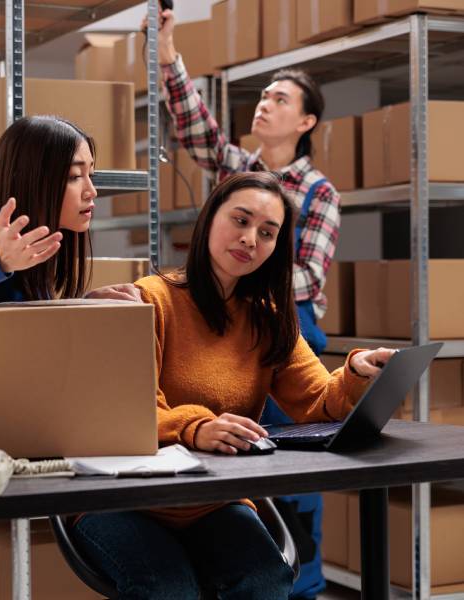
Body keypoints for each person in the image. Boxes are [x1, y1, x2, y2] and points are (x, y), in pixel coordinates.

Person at [72, 172, 396, 600]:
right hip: (123, 499)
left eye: (267, 232)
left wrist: (358, 370)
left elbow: (318, 401)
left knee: (267, 579)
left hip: (212, 499)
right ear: (210, 219)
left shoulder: (268, 316)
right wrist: (197, 428)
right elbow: (128, 413)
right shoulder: (149, 300)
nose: (250, 239)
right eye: (240, 221)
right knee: (170, 588)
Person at [149, 8, 341, 597]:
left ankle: (296, 587)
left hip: (288, 328)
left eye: (279, 98)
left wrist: (250, 284)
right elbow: (197, 129)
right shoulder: (239, 169)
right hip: (223, 315)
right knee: (231, 463)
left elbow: (307, 272)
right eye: (262, 94)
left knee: (296, 479)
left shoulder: (318, 192)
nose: (264, 103)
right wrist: (167, 57)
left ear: (305, 120)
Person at [0, 115, 97, 304]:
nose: (92, 191)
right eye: (74, 176)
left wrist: (92, 303)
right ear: (28, 179)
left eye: (90, 174)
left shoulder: (40, 240)